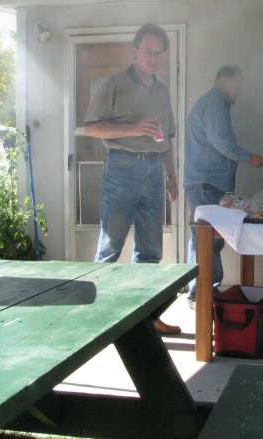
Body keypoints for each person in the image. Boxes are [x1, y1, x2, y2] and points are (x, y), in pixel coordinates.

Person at [82, 23, 181, 335]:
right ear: (135, 51)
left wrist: (171, 174)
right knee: (110, 246)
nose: (153, 58)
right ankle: (95, 321)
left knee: (151, 251)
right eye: (148, 51)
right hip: (122, 168)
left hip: (155, 171)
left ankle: (147, 319)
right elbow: (91, 128)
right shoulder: (115, 84)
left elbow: (167, 136)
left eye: (158, 53)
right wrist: (133, 128)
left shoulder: (162, 90)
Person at [184, 65, 263, 307]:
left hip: (207, 183)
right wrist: (250, 157)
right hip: (206, 184)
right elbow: (222, 142)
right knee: (205, 240)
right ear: (221, 80)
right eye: (237, 85)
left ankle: (203, 294)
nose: (239, 91)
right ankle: (201, 297)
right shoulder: (215, 102)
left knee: (206, 239)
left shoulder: (214, 103)